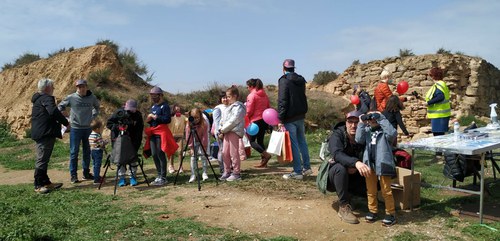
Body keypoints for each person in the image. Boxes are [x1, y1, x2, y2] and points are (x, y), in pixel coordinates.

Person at [327, 110, 370, 224]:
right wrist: (355, 163)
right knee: (340, 169)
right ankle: (343, 206)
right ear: (346, 122)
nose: (353, 125)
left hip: (356, 174)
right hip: (334, 176)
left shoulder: (365, 135)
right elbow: (337, 154)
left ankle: (357, 196)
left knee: (373, 167)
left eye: (357, 122)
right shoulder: (337, 135)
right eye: (350, 122)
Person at [355, 111, 397, 226]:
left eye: (374, 118)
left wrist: (381, 118)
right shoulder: (367, 130)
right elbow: (359, 139)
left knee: (386, 190)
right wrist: (361, 123)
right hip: (369, 163)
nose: (372, 120)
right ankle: (372, 211)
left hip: (383, 163)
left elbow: (393, 134)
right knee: (371, 190)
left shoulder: (384, 132)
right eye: (370, 118)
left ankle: (390, 213)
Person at [31, 78, 69, 194]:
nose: (54, 89)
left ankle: (46, 182)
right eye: (52, 87)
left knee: (44, 159)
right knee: (42, 159)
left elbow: (50, 112)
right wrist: (66, 122)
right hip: (44, 133)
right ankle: (38, 185)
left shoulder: (39, 99)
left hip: (43, 132)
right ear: (47, 88)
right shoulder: (46, 98)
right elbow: (52, 111)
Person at [58, 79, 100, 184]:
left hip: (87, 128)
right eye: (79, 87)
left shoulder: (92, 98)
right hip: (75, 129)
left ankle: (86, 173)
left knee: (87, 151)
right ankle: (73, 175)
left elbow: (97, 107)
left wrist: (92, 116)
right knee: (74, 152)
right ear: (77, 88)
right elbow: (60, 106)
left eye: (83, 86)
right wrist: (65, 115)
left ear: (86, 87)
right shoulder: (72, 97)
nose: (81, 89)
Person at [277, 59, 312, 180]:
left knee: (294, 144)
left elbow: (283, 100)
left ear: (284, 68)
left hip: (290, 117)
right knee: (302, 141)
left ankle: (297, 171)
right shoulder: (301, 80)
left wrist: (280, 118)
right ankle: (307, 167)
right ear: (294, 68)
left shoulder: (284, 80)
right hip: (300, 115)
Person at [143, 86, 178, 186]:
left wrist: (155, 117)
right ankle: (158, 175)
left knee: (160, 153)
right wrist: (149, 119)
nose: (153, 97)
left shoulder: (165, 106)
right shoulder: (153, 107)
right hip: (153, 132)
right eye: (152, 95)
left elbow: (167, 119)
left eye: (155, 95)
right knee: (154, 154)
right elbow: (152, 121)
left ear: (160, 95)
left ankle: (163, 177)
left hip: (161, 132)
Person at [106, 99, 144, 186]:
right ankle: (121, 178)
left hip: (132, 140)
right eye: (128, 109)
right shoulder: (119, 113)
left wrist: (137, 144)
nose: (130, 111)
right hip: (119, 140)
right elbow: (109, 124)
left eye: (132, 109)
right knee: (120, 159)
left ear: (135, 108)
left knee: (133, 159)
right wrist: (118, 127)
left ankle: (132, 177)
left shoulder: (138, 115)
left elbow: (139, 131)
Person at [218, 85, 246, 181]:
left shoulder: (239, 107)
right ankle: (227, 171)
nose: (227, 99)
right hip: (227, 132)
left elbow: (234, 120)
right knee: (225, 152)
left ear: (234, 96)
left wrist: (223, 129)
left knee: (233, 152)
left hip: (234, 131)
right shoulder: (228, 107)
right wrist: (221, 129)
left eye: (229, 97)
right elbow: (223, 120)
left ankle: (236, 172)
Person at [245, 78, 272, 168]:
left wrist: (246, 118)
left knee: (252, 141)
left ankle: (266, 155)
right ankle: (264, 162)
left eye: (248, 87)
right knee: (260, 141)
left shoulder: (251, 96)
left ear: (252, 86)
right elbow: (268, 107)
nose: (247, 88)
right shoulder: (264, 95)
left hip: (255, 121)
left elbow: (249, 110)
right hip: (264, 120)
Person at [424, 67, 451, 136]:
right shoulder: (440, 84)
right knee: (440, 137)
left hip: (439, 115)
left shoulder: (439, 84)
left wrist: (428, 103)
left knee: (438, 138)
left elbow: (440, 97)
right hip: (440, 115)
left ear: (433, 76)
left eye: (430, 75)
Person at [185, 108, 210, 183]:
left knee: (203, 156)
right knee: (193, 157)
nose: (195, 120)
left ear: (200, 116)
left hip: (202, 140)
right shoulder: (189, 125)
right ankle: (193, 174)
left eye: (197, 118)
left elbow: (205, 136)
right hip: (193, 141)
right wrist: (191, 147)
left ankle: (204, 173)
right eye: (194, 117)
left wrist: (204, 146)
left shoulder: (204, 123)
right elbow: (188, 136)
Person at [212, 91, 228, 173]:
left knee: (227, 150)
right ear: (220, 99)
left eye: (226, 97)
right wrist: (220, 132)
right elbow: (217, 122)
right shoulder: (218, 108)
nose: (225, 99)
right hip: (220, 132)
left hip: (227, 131)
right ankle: (222, 168)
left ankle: (228, 167)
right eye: (223, 98)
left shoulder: (229, 106)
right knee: (221, 150)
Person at [168, 104, 187, 173]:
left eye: (178, 109)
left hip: (180, 136)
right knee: (171, 152)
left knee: (180, 151)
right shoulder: (169, 117)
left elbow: (188, 121)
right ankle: (171, 166)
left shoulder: (183, 117)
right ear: (173, 110)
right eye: (176, 110)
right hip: (171, 136)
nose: (177, 111)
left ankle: (180, 166)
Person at [89, 119, 107, 185]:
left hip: (92, 151)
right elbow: (101, 143)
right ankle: (96, 179)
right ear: (97, 129)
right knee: (97, 165)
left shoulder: (90, 135)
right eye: (100, 128)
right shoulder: (97, 135)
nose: (101, 129)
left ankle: (96, 176)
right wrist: (105, 142)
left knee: (94, 164)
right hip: (98, 151)